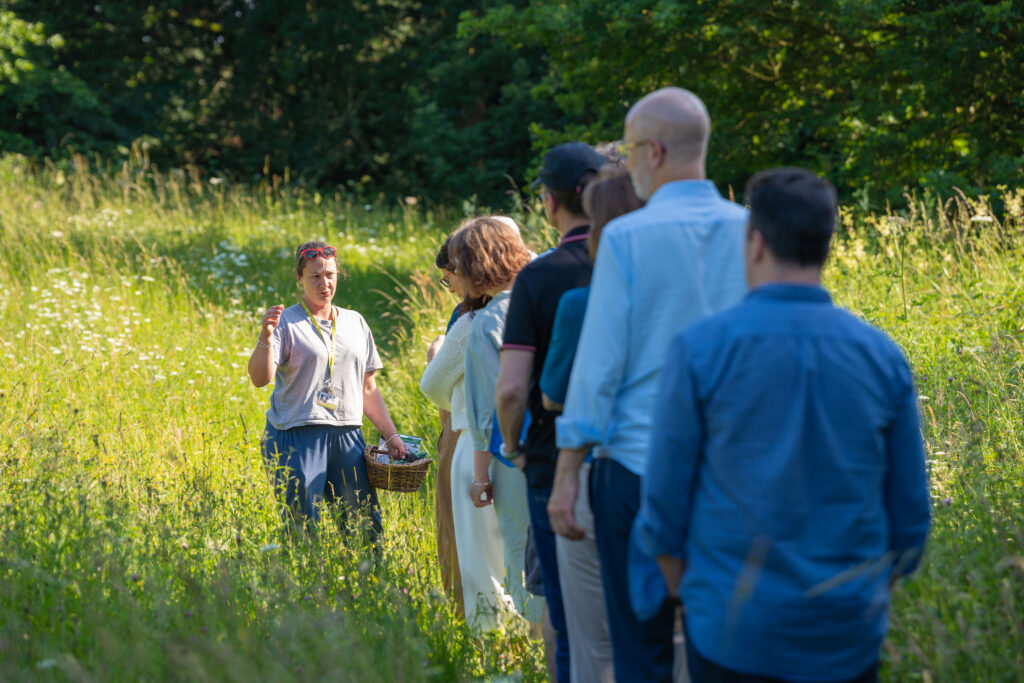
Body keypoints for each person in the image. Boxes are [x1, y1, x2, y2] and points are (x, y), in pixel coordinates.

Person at [633, 167, 932, 682]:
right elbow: (910, 515)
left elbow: (663, 501)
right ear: (827, 245)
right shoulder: (881, 356)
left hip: (731, 627)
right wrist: (865, 596)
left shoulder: (701, 350)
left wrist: (688, 592)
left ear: (755, 243)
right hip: (846, 631)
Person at [549, 87, 749, 682]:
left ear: (655, 152)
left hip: (637, 467)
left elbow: (600, 365)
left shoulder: (628, 237)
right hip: (730, 469)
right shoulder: (751, 230)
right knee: (722, 639)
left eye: (630, 148)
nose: (627, 162)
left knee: (642, 649)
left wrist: (566, 474)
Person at [496, 141, 604, 683]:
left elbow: (513, 388)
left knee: (565, 620)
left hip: (551, 457)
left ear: (550, 201)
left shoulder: (539, 277)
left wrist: (513, 445)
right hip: (632, 456)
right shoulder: (631, 265)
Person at [538, 168, 644, 683]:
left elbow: (556, 395)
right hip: (680, 467)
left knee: (593, 639)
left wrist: (559, 476)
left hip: (602, 466)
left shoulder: (585, 300)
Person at [249, 240, 408, 541]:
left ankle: (366, 572)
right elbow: (260, 378)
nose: (324, 283)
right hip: (297, 434)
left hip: (348, 436)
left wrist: (391, 436)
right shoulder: (286, 322)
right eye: (315, 276)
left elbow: (368, 388)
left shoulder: (356, 322)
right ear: (299, 278)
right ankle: (305, 573)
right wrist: (265, 337)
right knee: (302, 530)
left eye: (330, 275)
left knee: (364, 529)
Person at [456, 217, 544, 629]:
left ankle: (542, 652)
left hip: (517, 456)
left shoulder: (488, 323)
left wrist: (480, 479)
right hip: (573, 446)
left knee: (526, 561)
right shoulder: (549, 297)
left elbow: (488, 413)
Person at [421, 235, 465, 612]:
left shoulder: (467, 316)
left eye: (449, 277)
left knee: (456, 528)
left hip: (462, 428)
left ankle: (463, 614)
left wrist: (436, 353)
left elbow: (435, 385)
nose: (448, 287)